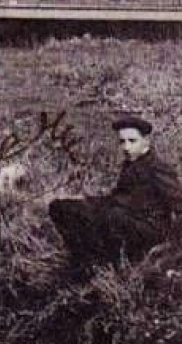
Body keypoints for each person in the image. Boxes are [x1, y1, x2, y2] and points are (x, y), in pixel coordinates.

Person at [49, 114, 182, 275]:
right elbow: (117, 198)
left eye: (132, 141)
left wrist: (174, 250)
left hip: (149, 228)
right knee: (61, 207)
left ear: (146, 141)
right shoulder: (130, 165)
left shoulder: (157, 168)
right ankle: (87, 261)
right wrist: (86, 201)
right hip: (123, 220)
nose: (126, 147)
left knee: (110, 215)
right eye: (122, 142)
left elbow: (178, 203)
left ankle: (105, 264)